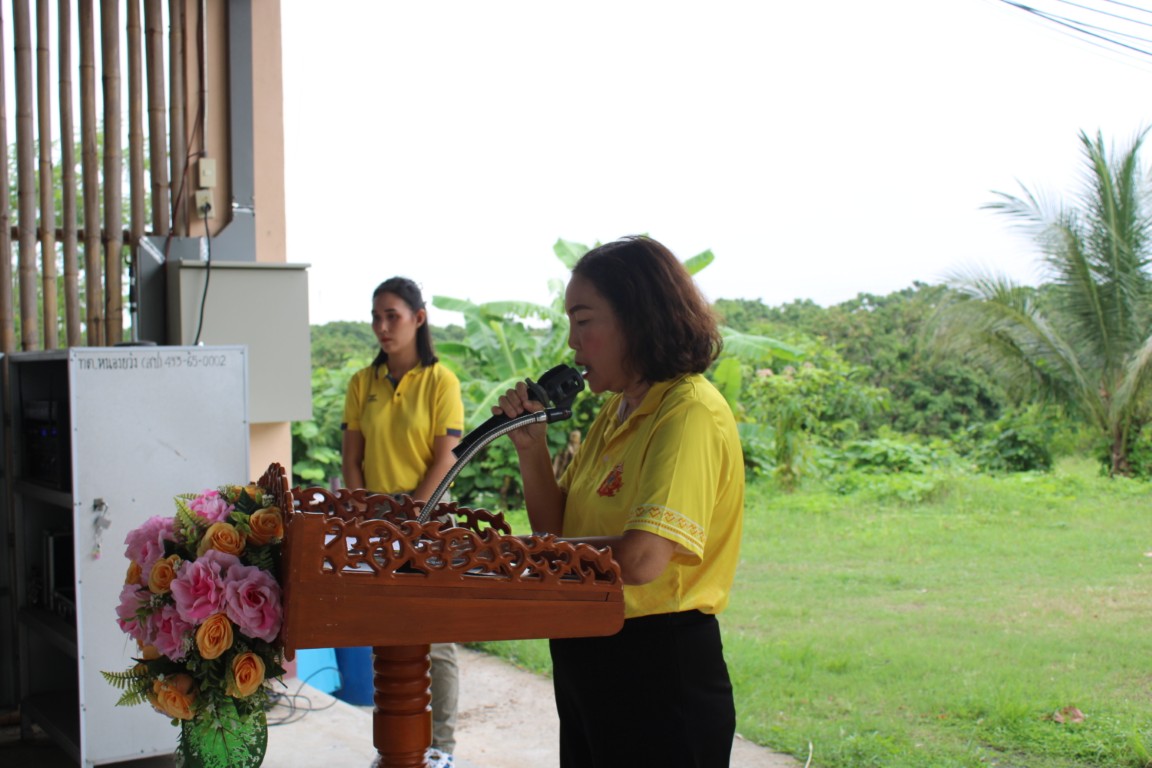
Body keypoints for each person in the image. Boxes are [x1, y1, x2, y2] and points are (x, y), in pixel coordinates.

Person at [494, 235, 745, 767]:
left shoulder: (687, 413)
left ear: (638, 318)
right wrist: (531, 448)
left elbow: (642, 559)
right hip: (589, 653)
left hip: (657, 665)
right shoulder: (617, 411)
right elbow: (558, 531)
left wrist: (523, 557)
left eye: (584, 321)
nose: (572, 342)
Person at [342, 276, 463, 768]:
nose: (382, 326)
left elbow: (447, 457)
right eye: (376, 317)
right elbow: (352, 461)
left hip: (430, 519)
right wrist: (364, 515)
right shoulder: (361, 383)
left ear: (419, 318)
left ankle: (441, 749)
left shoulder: (441, 381)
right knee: (387, 636)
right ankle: (395, 747)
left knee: (436, 639)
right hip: (375, 523)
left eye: (392, 316)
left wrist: (413, 515)